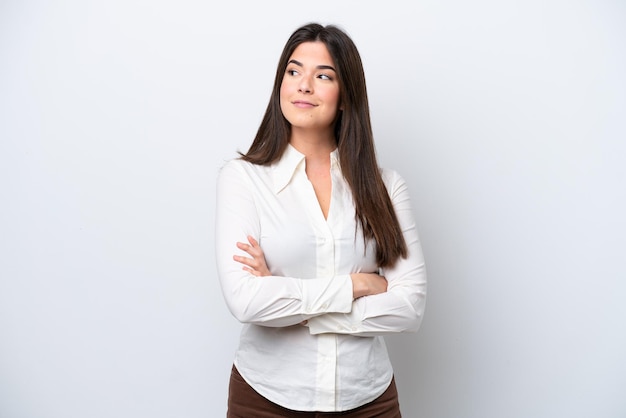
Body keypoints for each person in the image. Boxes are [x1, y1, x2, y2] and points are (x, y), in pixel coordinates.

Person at [215, 22, 427, 417]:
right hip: (266, 398)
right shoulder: (243, 179)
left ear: (346, 96)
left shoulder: (386, 187)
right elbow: (245, 301)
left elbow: (409, 306)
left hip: (367, 399)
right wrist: (358, 285)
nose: (303, 85)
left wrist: (290, 304)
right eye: (293, 72)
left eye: (323, 76)